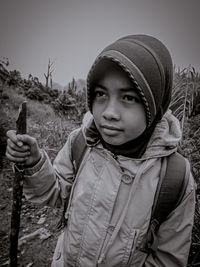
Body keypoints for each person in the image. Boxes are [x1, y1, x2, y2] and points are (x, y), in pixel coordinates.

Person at [6, 35, 196, 267]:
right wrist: (34, 163)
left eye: (128, 97)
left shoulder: (175, 178)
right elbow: (55, 192)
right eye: (100, 94)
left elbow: (167, 259)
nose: (109, 112)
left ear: (155, 104)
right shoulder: (81, 142)